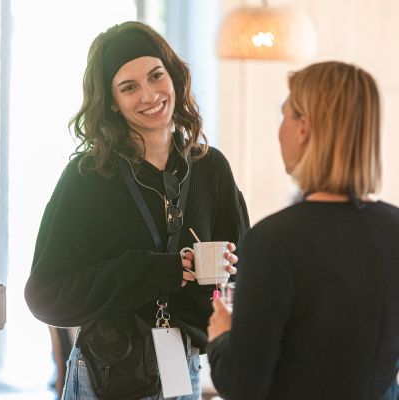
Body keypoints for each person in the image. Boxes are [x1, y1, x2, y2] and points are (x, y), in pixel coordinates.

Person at [25, 21, 249, 399]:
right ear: (112, 101)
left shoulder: (210, 168)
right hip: (108, 370)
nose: (149, 95)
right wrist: (154, 271)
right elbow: (46, 295)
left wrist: (223, 274)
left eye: (156, 76)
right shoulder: (88, 177)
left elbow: (242, 279)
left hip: (182, 367)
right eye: (129, 87)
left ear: (174, 76)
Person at [207, 61, 399, 399]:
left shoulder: (273, 240)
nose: (280, 128)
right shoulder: (393, 229)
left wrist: (222, 337)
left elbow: (242, 386)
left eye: (284, 115)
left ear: (303, 128)